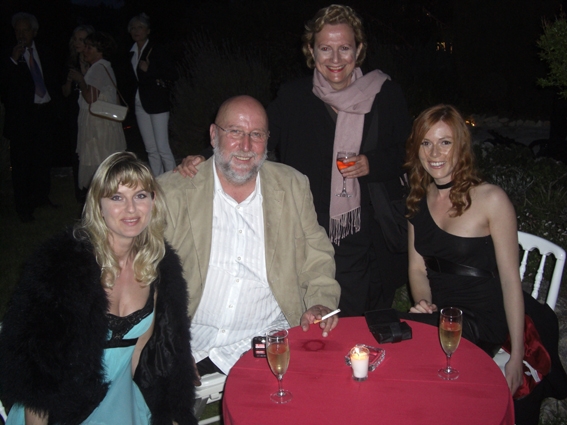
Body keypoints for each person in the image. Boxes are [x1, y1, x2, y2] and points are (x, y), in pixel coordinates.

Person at [176, 5, 411, 316]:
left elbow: (409, 151)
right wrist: (203, 157)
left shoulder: (385, 94)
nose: (335, 59)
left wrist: (372, 163)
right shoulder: (294, 97)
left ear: (359, 50)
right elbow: (253, 138)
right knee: (326, 310)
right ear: (311, 51)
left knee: (368, 311)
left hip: (370, 226)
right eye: (325, 48)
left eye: (344, 48)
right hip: (310, 222)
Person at [0, 152, 197, 425]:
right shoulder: (62, 269)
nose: (131, 209)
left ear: (153, 201)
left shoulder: (157, 267)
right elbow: (38, 376)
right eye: (117, 197)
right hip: (60, 408)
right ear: (98, 205)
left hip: (120, 400)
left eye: (140, 195)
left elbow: (140, 354)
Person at [404, 104, 567, 425]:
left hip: (486, 317)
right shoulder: (416, 201)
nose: (434, 153)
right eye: (426, 143)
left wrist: (517, 356)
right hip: (446, 315)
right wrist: (425, 303)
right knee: (393, 334)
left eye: (445, 142)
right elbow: (417, 269)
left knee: (404, 339)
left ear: (461, 147)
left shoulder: (491, 199)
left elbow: (510, 281)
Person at [158, 95, 341, 378]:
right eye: (235, 132)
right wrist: (167, 341)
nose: (245, 146)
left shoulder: (292, 185)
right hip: (191, 341)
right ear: (213, 135)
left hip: (263, 342)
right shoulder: (173, 191)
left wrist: (320, 300)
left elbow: (317, 254)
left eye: (256, 135)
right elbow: (144, 273)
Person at [0, 13, 60, 222]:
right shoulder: (8, 55)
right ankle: (23, 208)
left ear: (34, 31)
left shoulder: (44, 51)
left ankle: (41, 197)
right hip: (22, 118)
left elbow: (53, 79)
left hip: (44, 113)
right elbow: (3, 86)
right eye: (17, 30)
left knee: (42, 159)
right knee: (22, 163)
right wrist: (12, 60)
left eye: (25, 30)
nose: (21, 34)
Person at [70, 31, 126, 191]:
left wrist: (80, 81)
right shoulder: (101, 67)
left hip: (98, 125)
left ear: (99, 51)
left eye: (89, 48)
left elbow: (91, 98)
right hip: (102, 123)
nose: (85, 51)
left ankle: (100, 195)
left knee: (98, 159)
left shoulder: (99, 68)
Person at [127, 13, 177, 176]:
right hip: (139, 102)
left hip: (157, 102)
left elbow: (172, 74)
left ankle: (174, 181)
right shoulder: (131, 52)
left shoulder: (157, 49)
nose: (136, 31)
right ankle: (157, 181)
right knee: (150, 149)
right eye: (133, 28)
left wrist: (150, 70)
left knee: (162, 147)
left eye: (140, 27)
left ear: (148, 30)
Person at [62, 24, 95, 203]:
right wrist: (69, 80)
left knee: (93, 150)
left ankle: (95, 190)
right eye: (75, 39)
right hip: (74, 113)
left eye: (81, 40)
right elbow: (65, 93)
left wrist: (83, 77)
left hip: (92, 112)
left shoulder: (96, 63)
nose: (77, 43)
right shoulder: (70, 62)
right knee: (78, 153)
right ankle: (80, 193)